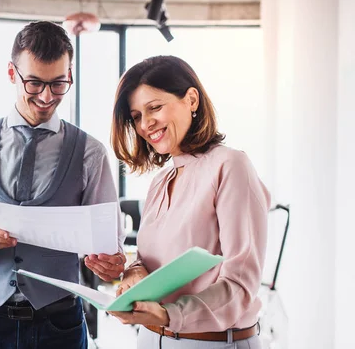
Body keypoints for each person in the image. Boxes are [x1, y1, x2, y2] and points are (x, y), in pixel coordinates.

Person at [0, 21, 126, 349]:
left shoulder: (91, 153)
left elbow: (111, 245)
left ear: (70, 75)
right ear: (11, 73)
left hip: (61, 324)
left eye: (59, 84)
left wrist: (110, 262)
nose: (47, 97)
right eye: (33, 83)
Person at [109, 56, 270, 349]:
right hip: (150, 338)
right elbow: (149, 261)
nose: (146, 125)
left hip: (213, 342)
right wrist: (134, 273)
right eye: (136, 116)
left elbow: (240, 285)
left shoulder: (230, 165)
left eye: (154, 107)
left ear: (191, 99)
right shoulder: (161, 180)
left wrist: (171, 314)